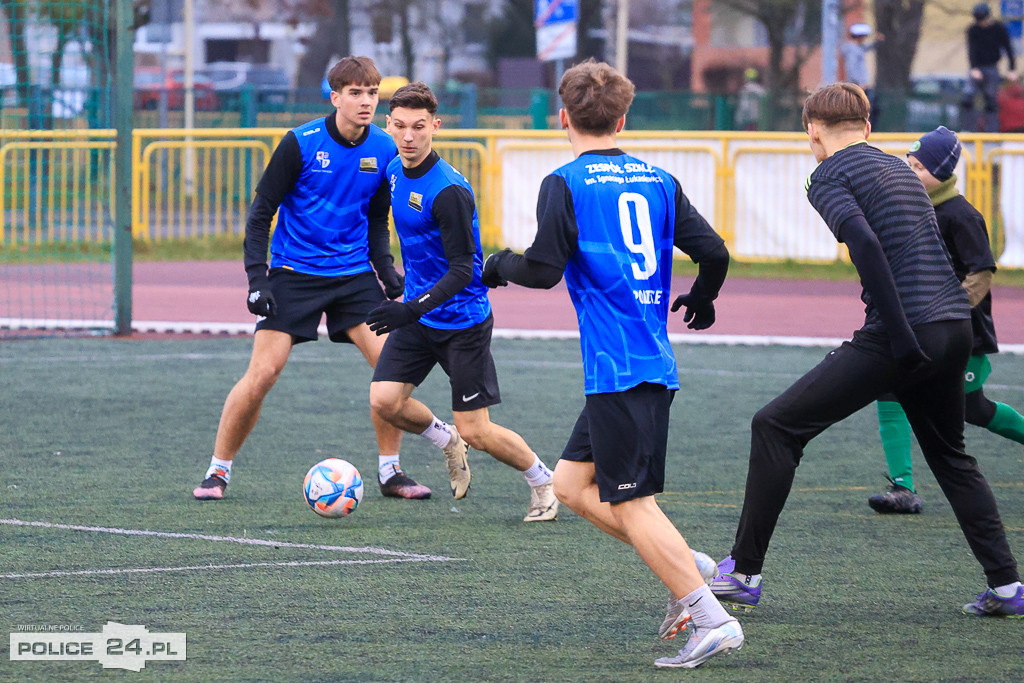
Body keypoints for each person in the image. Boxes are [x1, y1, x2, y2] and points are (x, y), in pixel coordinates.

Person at [710, 83, 1023, 618]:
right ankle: (1008, 588)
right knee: (951, 457)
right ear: (869, 128)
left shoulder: (828, 174)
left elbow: (867, 244)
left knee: (776, 426)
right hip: (955, 325)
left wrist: (899, 337)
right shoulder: (900, 170)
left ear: (812, 131)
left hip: (906, 331)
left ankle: (742, 573)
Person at [482, 59, 743, 668]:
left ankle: (711, 615)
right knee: (572, 486)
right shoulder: (658, 179)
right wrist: (700, 299)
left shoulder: (565, 182)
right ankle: (689, 565)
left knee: (631, 504)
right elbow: (715, 253)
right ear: (623, 118)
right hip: (638, 364)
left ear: (562, 117)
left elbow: (543, 270)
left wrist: (497, 267)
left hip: (622, 369)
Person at [193, 56, 432, 502]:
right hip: (294, 274)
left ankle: (390, 471)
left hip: (354, 275)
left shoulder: (383, 148)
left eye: (372, 92)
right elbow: (260, 214)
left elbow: (377, 220)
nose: (365, 101)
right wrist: (256, 278)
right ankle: (217, 471)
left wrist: (388, 274)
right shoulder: (299, 143)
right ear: (335, 97)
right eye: (356, 93)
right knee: (263, 373)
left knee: (389, 371)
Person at [365, 81, 559, 523]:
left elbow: (462, 270)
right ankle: (447, 440)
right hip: (419, 312)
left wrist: (410, 308)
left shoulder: (449, 191)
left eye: (418, 127)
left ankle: (543, 482)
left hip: (461, 320)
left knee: (480, 429)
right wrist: (393, 273)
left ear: (435, 125)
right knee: (385, 401)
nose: (408, 136)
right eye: (399, 126)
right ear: (388, 125)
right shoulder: (394, 169)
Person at [868, 126, 1024, 514]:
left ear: (943, 172)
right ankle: (902, 488)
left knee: (972, 408)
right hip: (912, 327)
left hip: (960, 333)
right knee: (889, 391)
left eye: (921, 167)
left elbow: (981, 272)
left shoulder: (961, 215)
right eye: (909, 163)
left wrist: (947, 308)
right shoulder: (906, 208)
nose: (912, 171)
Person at [962, 3, 1016, 132]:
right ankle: (969, 129)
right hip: (977, 67)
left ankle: (992, 131)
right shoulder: (973, 30)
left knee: (991, 100)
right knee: (968, 98)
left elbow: (1008, 49)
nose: (982, 24)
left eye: (984, 21)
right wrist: (974, 68)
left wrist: (1011, 69)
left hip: (992, 67)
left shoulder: (999, 28)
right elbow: (972, 50)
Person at [841, 23, 883, 126]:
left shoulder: (858, 48)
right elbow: (851, 67)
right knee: (863, 108)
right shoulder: (852, 50)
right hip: (858, 85)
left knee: (871, 107)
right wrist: (858, 83)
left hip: (861, 84)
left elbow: (867, 47)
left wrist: (876, 42)